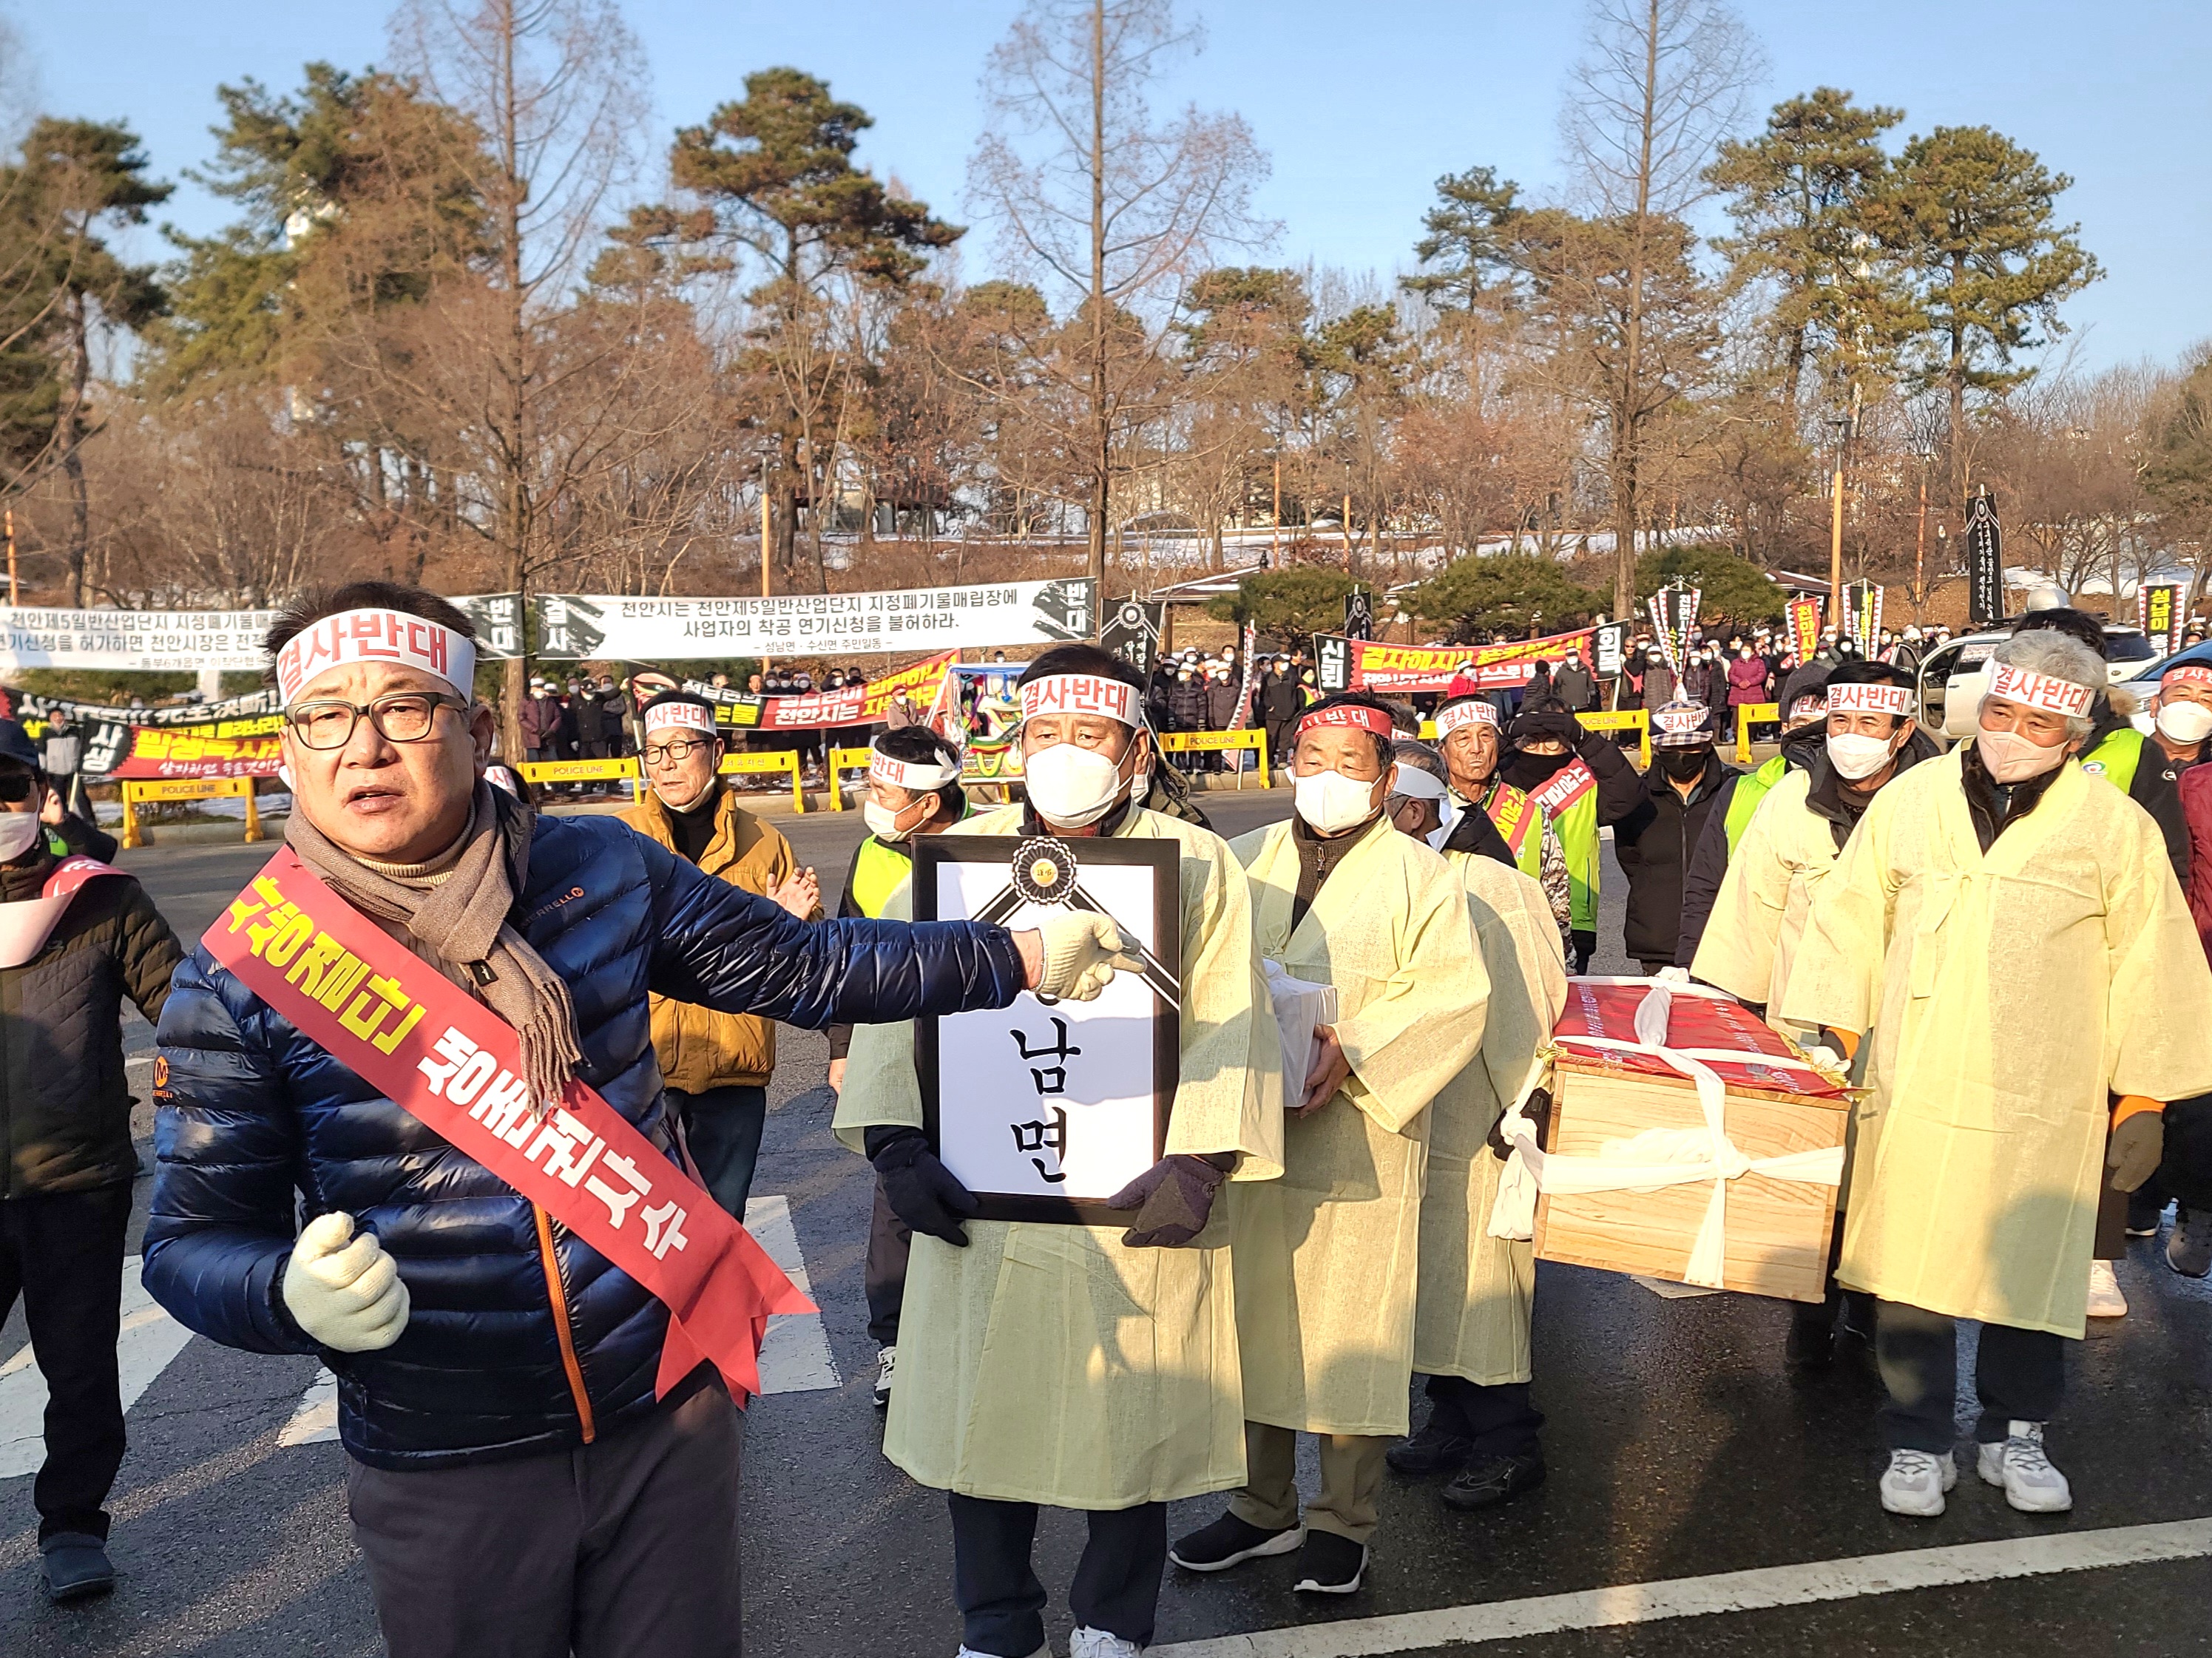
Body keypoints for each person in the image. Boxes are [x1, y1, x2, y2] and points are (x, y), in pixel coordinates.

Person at [142, 581, 1140, 1658]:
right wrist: (284, 1295)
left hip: (665, 1411)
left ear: (478, 729)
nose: (364, 747)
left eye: (405, 707)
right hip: (444, 1454)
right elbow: (190, 1242)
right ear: (289, 748)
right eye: (324, 716)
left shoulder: (596, 867)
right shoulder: (243, 973)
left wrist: (1016, 956)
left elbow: (808, 964)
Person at [836, 644, 1281, 1658]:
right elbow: (894, 999)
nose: (1064, 756)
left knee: (1129, 1423)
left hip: (1133, 1195)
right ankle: (993, 1621)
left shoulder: (1195, 859)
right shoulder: (956, 860)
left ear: (1133, 750)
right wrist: (898, 1140)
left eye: (1090, 736)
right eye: (1044, 734)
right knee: (980, 1422)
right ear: (1015, 743)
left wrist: (1201, 1158)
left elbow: (1227, 1018)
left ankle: (1111, 1619)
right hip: (983, 1205)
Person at [1782, 630, 2212, 1519]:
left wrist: (2142, 1101)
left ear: (2080, 735)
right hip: (1915, 1074)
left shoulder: (2114, 830)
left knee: (2033, 1260)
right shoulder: (1912, 801)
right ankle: (1917, 1436)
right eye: (2001, 712)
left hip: (2043, 1089)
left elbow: (2152, 965)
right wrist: (1834, 1035)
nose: (2012, 732)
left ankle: (2017, 1429)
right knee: (1912, 1257)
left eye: (2039, 722)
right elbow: (1851, 916)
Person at [1172, 691, 1484, 1597]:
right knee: (1251, 1319)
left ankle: (1344, 1518)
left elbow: (1453, 998)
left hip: (1361, 1137)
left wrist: (1353, 1046)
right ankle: (1261, 1505)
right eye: (1314, 761)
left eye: (1354, 764)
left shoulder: (1425, 879)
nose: (1330, 780)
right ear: (1289, 765)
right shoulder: (1239, 862)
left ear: (1388, 778)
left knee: (1354, 1328)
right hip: (1251, 1132)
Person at [1689, 661, 1936, 1366]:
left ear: (1901, 730)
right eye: (1839, 723)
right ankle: (1814, 1303)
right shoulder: (1790, 800)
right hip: (1804, 1023)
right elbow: (1751, 912)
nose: (1850, 739)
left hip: (1907, 1021)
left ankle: (1880, 1301)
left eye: (1867, 725)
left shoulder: (1937, 803)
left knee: (1894, 1172)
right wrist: (1739, 1018)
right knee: (1812, 1170)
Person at [0, 718, 183, 1604]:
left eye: (7, 790)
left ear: (40, 797)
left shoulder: (102, 899)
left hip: (76, 1179)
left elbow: (187, 1011)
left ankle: (73, 1523)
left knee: (77, 1364)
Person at [1381, 742, 1566, 1512]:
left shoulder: (1490, 886)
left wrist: (1531, 1099)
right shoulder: (1401, 881)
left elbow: (1534, 1005)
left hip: (1483, 1118)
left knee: (1483, 1284)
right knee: (1434, 1279)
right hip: (1417, 1117)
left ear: (1417, 810)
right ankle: (1451, 1416)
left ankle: (1508, 1440)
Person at [619, 692, 819, 1222]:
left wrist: (787, 927)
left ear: (717, 750)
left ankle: (717, 1311)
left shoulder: (765, 842)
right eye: (654, 750)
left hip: (735, 1061)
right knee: (642, 1222)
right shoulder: (615, 841)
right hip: (640, 1063)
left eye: (681, 747)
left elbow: (810, 961)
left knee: (720, 1220)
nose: (666, 764)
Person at [825, 726, 973, 1410]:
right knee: (895, 1196)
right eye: (872, 789)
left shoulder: (987, 847)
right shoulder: (868, 854)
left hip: (975, 1053)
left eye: (885, 792)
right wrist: (842, 1049)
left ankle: (970, 1339)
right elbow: (847, 959)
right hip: (894, 1049)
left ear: (929, 800)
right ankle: (892, 1343)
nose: (872, 803)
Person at [1673, 666, 1831, 971]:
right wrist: (1688, 963)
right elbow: (1706, 885)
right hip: (1749, 962)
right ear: (1784, 727)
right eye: (1800, 724)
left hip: (1826, 962)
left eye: (1822, 725)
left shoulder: (1864, 792)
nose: (1810, 734)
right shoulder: (1741, 790)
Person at [1497, 706, 1641, 972]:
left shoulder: (1587, 779)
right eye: (1531, 740)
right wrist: (1505, 733)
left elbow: (1628, 796)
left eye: (1552, 741)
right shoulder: (1498, 778)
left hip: (1573, 915)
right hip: (1504, 910)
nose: (1541, 750)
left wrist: (1587, 740)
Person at [1432, 694, 1571, 955]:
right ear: (1443, 749)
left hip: (1519, 952)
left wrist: (1562, 958)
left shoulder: (1527, 809)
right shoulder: (1426, 809)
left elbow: (1555, 893)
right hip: (1449, 954)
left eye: (1486, 736)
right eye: (1462, 738)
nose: (1477, 748)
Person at [1612, 700, 1739, 973]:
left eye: (1691, 746)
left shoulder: (1736, 789)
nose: (1681, 754)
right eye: (1671, 748)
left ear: (1707, 744)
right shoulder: (1637, 796)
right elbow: (1630, 858)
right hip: (1656, 940)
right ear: (1657, 748)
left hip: (1725, 938)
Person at [37, 708, 89, 820]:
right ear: (50, 719)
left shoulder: (74, 731)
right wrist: (44, 770)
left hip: (74, 771)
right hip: (55, 772)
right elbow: (41, 752)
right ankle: (62, 820)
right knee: (59, 799)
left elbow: (83, 748)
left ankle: (90, 822)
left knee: (80, 797)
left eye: (60, 715)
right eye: (54, 716)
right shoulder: (46, 732)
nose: (58, 718)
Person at [1258, 655, 1303, 785]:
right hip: (1273, 714)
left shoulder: (1291, 677)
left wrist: (1294, 706)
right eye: (1281, 663)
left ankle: (1282, 760)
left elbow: (1296, 693)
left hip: (1289, 712)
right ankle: (1269, 761)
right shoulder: (1268, 679)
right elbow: (1264, 695)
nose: (1284, 665)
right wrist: (1270, 707)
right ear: (1275, 665)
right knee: (1271, 738)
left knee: (1285, 738)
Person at [1551, 647, 1597, 714]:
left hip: (1583, 706)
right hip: (1567, 707)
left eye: (1574, 655)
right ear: (1566, 657)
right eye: (1570, 656)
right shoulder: (1561, 671)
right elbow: (1556, 688)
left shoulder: (1585, 669)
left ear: (1578, 656)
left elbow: (1590, 685)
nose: (1572, 657)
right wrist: (1559, 703)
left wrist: (1593, 700)